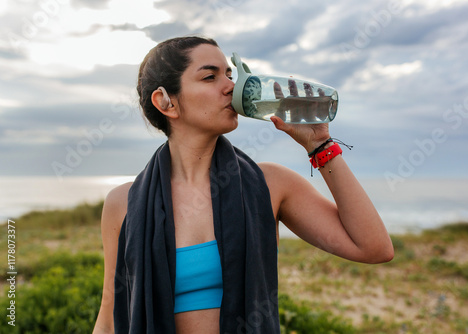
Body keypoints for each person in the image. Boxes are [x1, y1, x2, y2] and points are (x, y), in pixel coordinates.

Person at [92, 36, 394, 334]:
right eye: (210, 77)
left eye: (230, 75)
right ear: (165, 102)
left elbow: (373, 247)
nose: (231, 87)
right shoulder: (124, 203)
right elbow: (109, 321)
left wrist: (320, 145)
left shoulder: (270, 184)